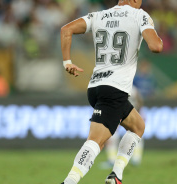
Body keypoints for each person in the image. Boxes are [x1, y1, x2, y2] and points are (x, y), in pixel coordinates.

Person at [60, 0, 163, 183]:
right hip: (114, 89)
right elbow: (156, 47)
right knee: (95, 141)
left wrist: (67, 62)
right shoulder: (140, 15)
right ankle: (69, 180)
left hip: (96, 86)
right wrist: (155, 34)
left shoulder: (99, 15)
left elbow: (66, 30)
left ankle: (116, 175)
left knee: (138, 126)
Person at [100, 85, 145, 169]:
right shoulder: (133, 88)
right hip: (131, 113)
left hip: (118, 113)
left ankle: (112, 160)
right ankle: (136, 159)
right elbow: (139, 100)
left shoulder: (116, 87)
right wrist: (139, 113)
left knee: (111, 134)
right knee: (136, 134)